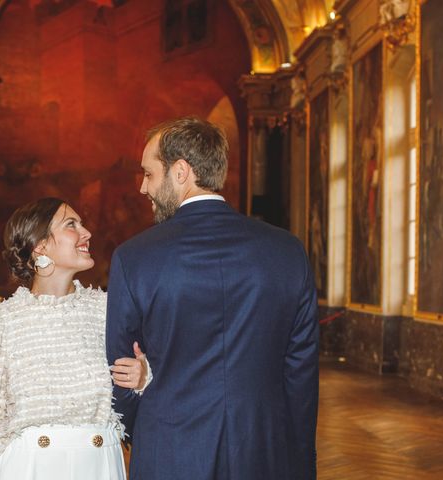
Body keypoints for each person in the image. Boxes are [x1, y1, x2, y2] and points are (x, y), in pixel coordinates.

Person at [106, 117, 319, 479]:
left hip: (170, 448)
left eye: (149, 174)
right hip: (263, 449)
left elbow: (119, 368)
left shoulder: (134, 257)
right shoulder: (287, 251)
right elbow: (301, 371)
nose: (143, 188)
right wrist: (299, 458)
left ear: (181, 172)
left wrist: (140, 429)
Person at [0, 197, 147, 480]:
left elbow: (153, 386)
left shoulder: (110, 311)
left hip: (100, 465)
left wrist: (144, 377)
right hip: (28, 468)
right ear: (40, 245)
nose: (87, 233)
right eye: (72, 224)